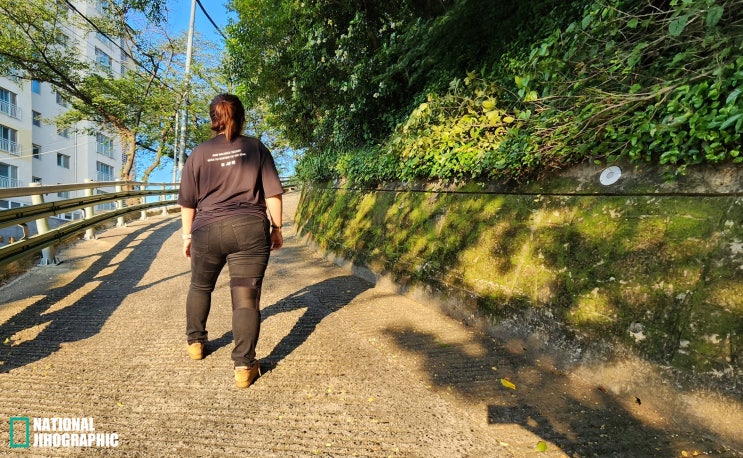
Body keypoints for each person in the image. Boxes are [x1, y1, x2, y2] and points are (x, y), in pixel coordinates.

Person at [177, 93, 284, 388]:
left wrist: (187, 236)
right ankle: (244, 366)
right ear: (242, 116)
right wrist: (277, 228)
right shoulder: (255, 147)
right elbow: (273, 193)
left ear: (213, 118)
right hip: (249, 229)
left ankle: (195, 343)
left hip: (206, 230)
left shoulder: (198, 154)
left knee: (200, 286)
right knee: (246, 298)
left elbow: (187, 202)